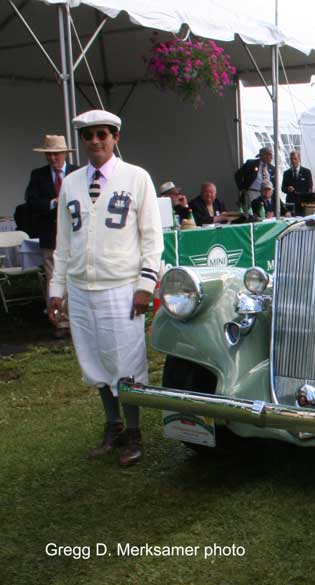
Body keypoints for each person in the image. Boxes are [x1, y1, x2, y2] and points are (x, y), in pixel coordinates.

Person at [48, 109, 163, 466]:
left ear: (115, 137)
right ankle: (112, 426)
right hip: (82, 288)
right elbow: (63, 243)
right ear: (82, 141)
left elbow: (152, 239)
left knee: (125, 363)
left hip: (121, 288)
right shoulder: (72, 183)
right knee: (95, 363)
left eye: (103, 134)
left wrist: (145, 284)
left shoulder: (136, 177)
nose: (95, 141)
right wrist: (56, 290)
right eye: (88, 135)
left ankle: (133, 432)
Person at [24, 134, 79, 338]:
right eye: (49, 155)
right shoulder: (38, 176)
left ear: (64, 153)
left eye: (56, 154)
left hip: (76, 236)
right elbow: (30, 203)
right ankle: (61, 322)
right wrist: (53, 203)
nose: (53, 158)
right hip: (50, 236)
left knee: (77, 277)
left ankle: (78, 320)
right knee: (54, 278)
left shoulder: (78, 172)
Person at [281, 150, 314, 216]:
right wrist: (288, 188)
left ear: (299, 159)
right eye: (291, 159)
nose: (293, 161)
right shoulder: (286, 173)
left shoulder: (306, 172)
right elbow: (283, 188)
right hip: (291, 203)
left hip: (302, 203)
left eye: (295, 159)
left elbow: (310, 188)